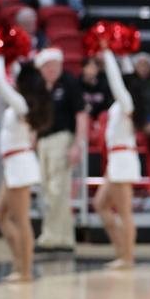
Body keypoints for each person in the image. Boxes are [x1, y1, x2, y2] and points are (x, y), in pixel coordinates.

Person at [0, 54, 51, 281]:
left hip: (19, 167)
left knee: (21, 220)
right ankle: (19, 260)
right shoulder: (23, 103)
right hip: (13, 166)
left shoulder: (21, 104)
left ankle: (25, 270)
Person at [33, 47, 85, 252]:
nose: (51, 69)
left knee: (58, 190)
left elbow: (81, 114)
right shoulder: (40, 87)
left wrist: (77, 145)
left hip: (62, 139)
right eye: (47, 66)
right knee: (48, 190)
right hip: (43, 141)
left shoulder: (69, 83)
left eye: (54, 65)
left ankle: (51, 237)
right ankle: (63, 238)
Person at [93, 48, 140, 269]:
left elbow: (117, 82)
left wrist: (108, 54)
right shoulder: (119, 105)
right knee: (100, 205)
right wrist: (122, 55)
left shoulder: (127, 103)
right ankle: (121, 250)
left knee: (124, 212)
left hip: (123, 160)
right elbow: (125, 76)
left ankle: (127, 257)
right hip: (115, 161)